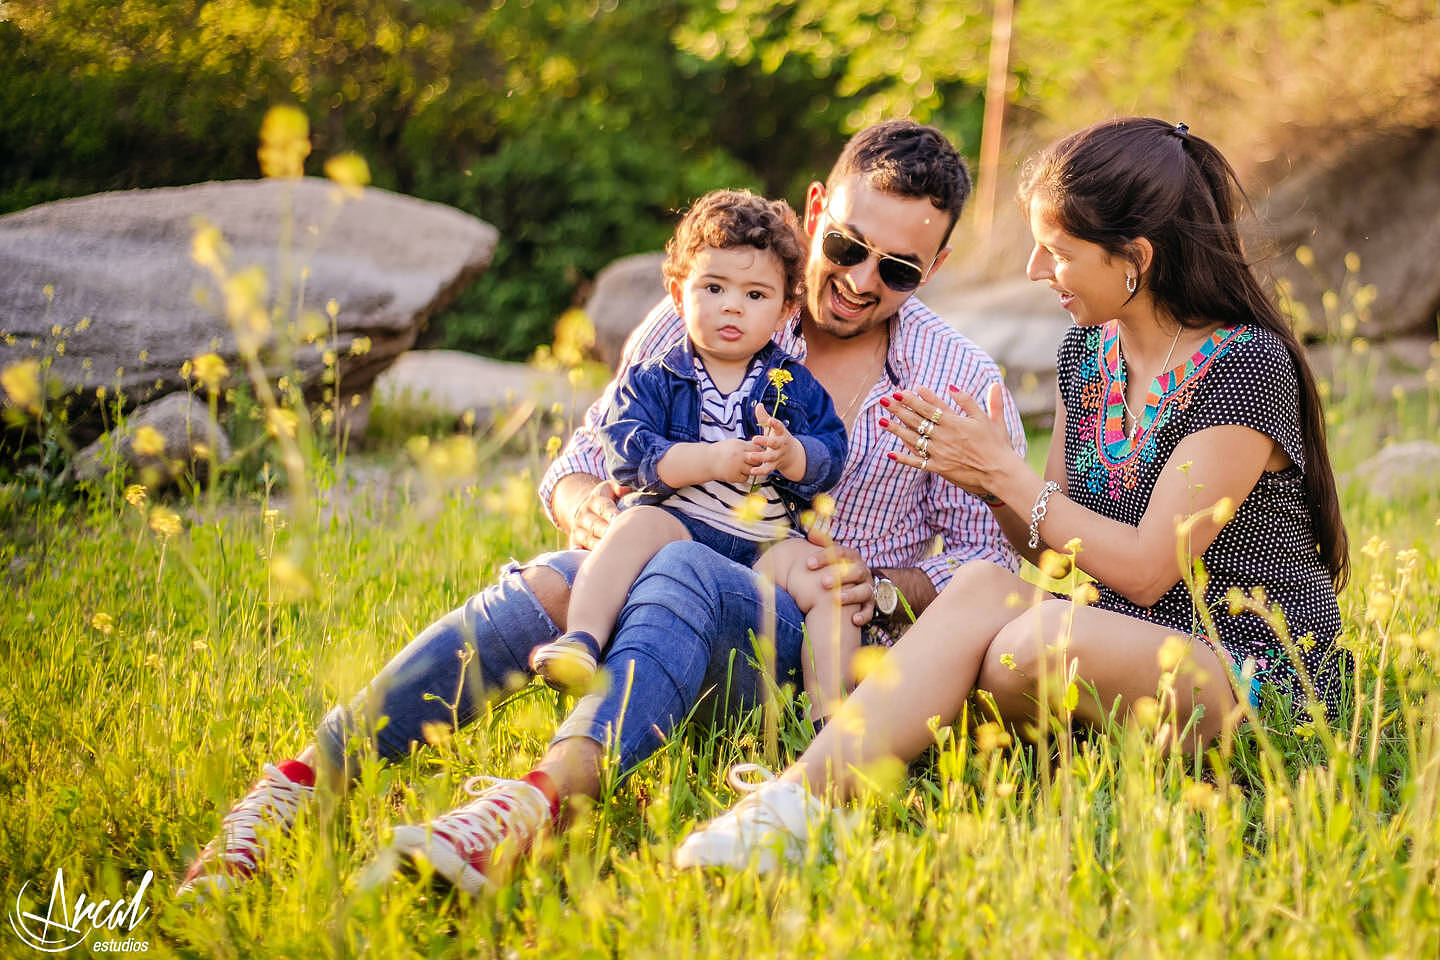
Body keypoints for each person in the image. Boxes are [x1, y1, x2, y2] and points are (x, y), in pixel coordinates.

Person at [177, 119, 1025, 898]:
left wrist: (876, 584)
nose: (859, 279)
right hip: (660, 570)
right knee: (566, 578)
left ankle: (531, 805)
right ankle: (297, 785)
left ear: (936, 267)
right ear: (816, 209)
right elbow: (580, 465)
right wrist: (594, 511)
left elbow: (988, 565)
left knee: (682, 565)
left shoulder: (955, 378)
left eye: (899, 269)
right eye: (846, 244)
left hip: (805, 647)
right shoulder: (713, 309)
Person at [672, 117, 1350, 871]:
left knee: (1025, 647)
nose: (1033, 269)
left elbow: (1149, 569)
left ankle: (802, 806)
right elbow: (1048, 551)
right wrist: (985, 482)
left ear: (1136, 260)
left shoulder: (1245, 368)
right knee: (999, 644)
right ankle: (806, 800)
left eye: (1057, 252)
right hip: (1118, 647)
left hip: (1250, 668)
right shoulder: (1087, 356)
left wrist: (1005, 474)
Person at [529, 189, 854, 723]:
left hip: (765, 543)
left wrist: (793, 453)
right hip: (679, 525)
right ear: (679, 294)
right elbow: (628, 454)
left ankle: (829, 717)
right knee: (631, 530)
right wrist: (710, 461)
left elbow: (830, 454)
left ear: (784, 310)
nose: (732, 305)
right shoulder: (656, 377)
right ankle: (582, 639)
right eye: (714, 287)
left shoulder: (794, 385)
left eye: (756, 295)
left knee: (826, 582)